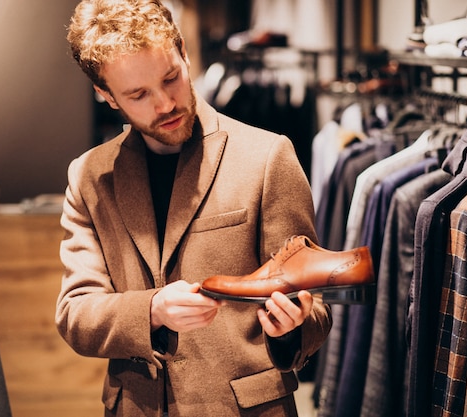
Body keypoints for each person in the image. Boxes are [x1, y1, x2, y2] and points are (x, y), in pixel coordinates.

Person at [55, 1, 332, 416]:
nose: (165, 103)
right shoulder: (90, 177)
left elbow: (316, 307)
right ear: (105, 94)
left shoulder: (267, 157)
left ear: (184, 52)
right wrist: (151, 310)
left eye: (171, 78)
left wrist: (292, 328)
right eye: (138, 94)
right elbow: (76, 312)